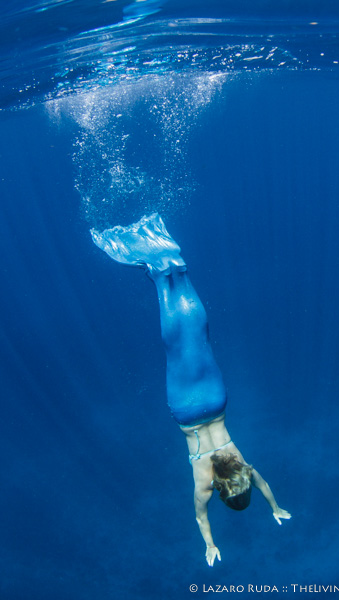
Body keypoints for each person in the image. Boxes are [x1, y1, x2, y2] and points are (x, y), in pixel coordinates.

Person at [91, 213, 291, 566]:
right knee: (174, 346)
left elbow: (263, 487)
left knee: (199, 339)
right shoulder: (205, 485)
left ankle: (179, 271)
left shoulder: (245, 468)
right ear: (222, 493)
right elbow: (201, 517)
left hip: (216, 400)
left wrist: (275, 507)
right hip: (186, 409)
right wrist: (210, 546)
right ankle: (158, 277)